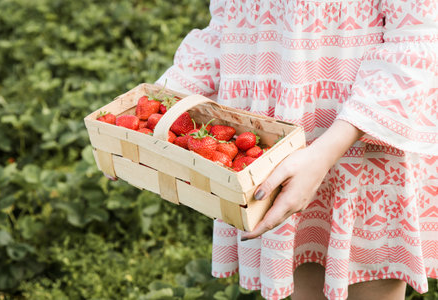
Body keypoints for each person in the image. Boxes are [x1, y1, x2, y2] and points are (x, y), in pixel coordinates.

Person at [154, 0, 437, 299]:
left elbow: (417, 40)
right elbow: (229, 27)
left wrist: (323, 155)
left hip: (362, 145)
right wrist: (158, 105)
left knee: (367, 280)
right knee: (307, 264)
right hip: (278, 150)